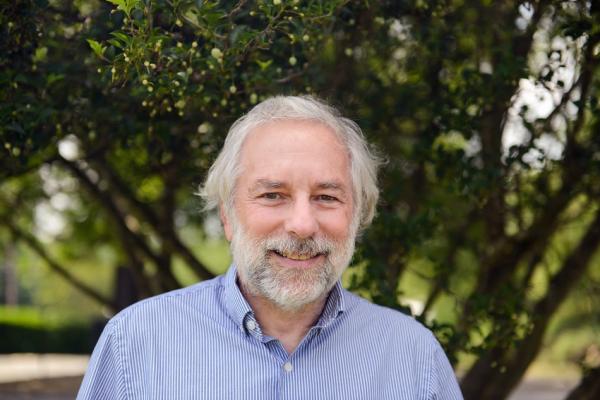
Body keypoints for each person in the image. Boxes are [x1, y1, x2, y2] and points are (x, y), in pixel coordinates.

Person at [77, 95, 463, 399]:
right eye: (273, 194)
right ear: (228, 215)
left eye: (327, 197)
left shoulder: (414, 357)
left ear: (358, 215)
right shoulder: (135, 342)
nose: (302, 224)